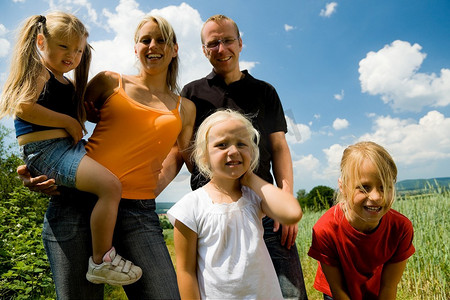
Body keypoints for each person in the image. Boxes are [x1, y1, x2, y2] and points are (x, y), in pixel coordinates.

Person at [16, 14, 195, 299]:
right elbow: (60, 117)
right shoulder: (109, 81)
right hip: (75, 203)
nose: (153, 46)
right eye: (145, 39)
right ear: (134, 47)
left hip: (138, 212)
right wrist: (39, 167)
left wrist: (151, 188)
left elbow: (182, 154)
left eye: (161, 40)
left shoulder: (185, 108)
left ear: (174, 49)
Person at [0, 11, 142, 286]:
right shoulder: (40, 71)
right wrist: (67, 121)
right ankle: (102, 260)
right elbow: (23, 107)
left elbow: (77, 115)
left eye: (78, 50)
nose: (72, 55)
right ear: (41, 42)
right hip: (47, 150)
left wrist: (88, 114)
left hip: (62, 149)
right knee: (110, 187)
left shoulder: (67, 82)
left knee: (110, 177)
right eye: (64, 46)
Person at [180, 14, 308, 299]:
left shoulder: (264, 91)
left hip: (265, 205)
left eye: (227, 40)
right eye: (213, 43)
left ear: (240, 43)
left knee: (291, 293)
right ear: (203, 50)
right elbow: (183, 149)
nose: (221, 49)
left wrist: (285, 193)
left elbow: (279, 146)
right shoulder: (191, 93)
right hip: (212, 212)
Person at [168, 109, 302, 299]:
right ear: (204, 155)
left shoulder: (254, 197)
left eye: (241, 144)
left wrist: (250, 178)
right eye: (222, 145)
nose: (233, 151)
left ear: (252, 151)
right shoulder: (191, 206)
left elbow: (292, 212)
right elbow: (185, 271)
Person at [308, 141, 415, 300]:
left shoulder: (401, 228)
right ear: (343, 186)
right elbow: (337, 290)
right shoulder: (325, 230)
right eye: (364, 187)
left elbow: (389, 286)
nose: (377, 197)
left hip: (376, 289)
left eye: (384, 187)